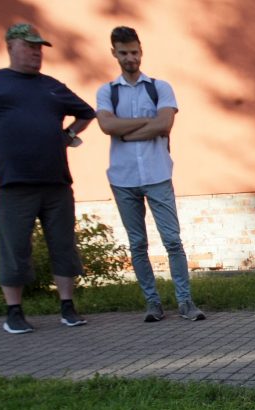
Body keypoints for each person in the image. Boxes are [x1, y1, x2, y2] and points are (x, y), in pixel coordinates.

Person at [0, 23, 94, 334]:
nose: (36, 52)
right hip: (14, 183)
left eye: (39, 47)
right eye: (29, 45)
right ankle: (14, 312)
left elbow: (86, 112)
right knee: (14, 247)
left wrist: (68, 134)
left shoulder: (52, 86)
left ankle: (68, 307)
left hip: (56, 183)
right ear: (10, 47)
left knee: (63, 245)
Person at [95, 26, 204, 322]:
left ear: (141, 51)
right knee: (137, 243)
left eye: (135, 52)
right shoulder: (107, 91)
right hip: (123, 177)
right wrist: (146, 121)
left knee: (172, 240)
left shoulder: (159, 87)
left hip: (157, 174)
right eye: (124, 53)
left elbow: (164, 124)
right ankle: (152, 303)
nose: (130, 57)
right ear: (114, 53)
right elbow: (107, 126)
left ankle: (185, 302)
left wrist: (127, 128)